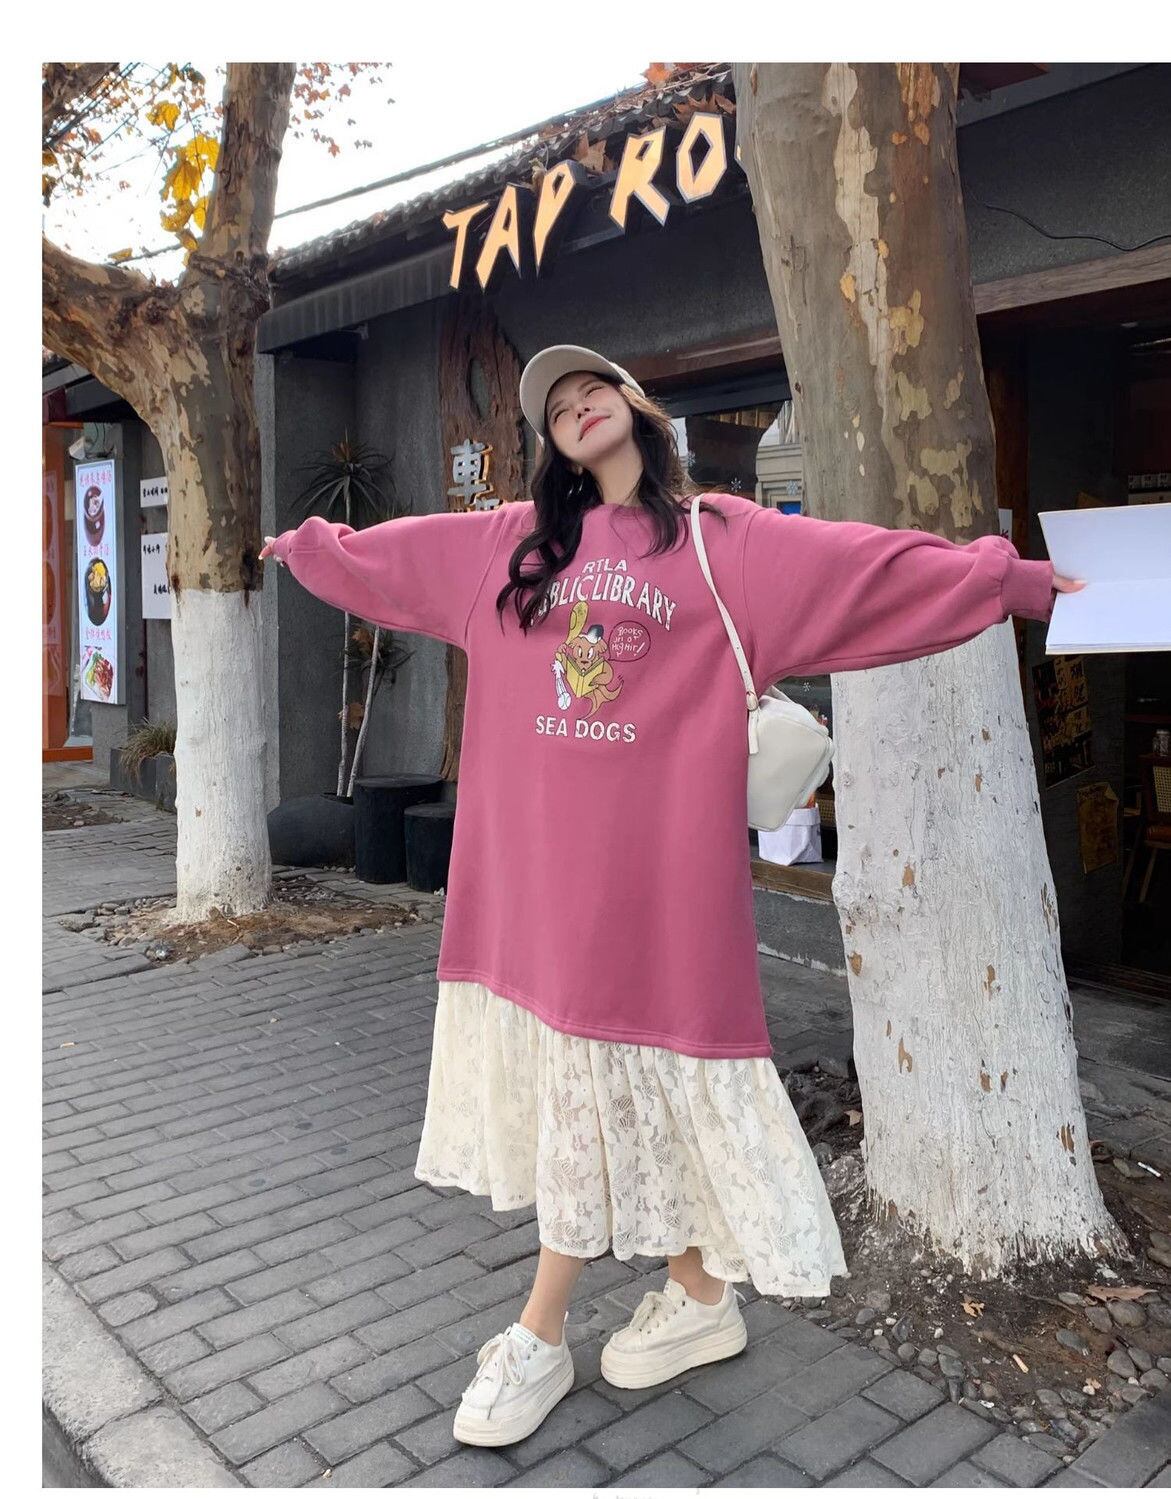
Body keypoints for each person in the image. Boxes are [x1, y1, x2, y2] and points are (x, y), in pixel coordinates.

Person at [260, 343, 1085, 1450]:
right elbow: (392, 558)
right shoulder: (510, 546)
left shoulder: (719, 540)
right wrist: (308, 547)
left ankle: (539, 1330)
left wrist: (1010, 580)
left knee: (621, 1097)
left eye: (589, 387)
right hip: (533, 898)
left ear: (635, 405)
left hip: (657, 898)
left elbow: (866, 569)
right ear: (551, 446)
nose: (575, 407)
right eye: (555, 406)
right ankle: (697, 1294)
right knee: (610, 1100)